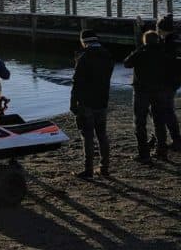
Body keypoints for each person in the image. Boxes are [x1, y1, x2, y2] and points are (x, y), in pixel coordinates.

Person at [70, 29, 114, 179]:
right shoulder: (107, 55)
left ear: (84, 41)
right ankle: (104, 167)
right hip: (102, 100)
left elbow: (76, 82)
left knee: (87, 136)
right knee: (102, 135)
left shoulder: (84, 57)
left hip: (86, 102)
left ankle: (88, 169)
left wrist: (72, 102)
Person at [124, 30, 172, 163]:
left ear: (145, 41)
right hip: (159, 90)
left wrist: (140, 48)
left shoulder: (141, 53)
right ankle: (161, 150)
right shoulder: (163, 54)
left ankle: (144, 154)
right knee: (159, 121)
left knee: (140, 122)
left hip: (141, 91)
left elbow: (127, 63)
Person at [156, 14, 181, 151]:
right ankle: (175, 138)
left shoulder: (167, 43)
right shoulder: (175, 40)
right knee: (168, 110)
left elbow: (163, 61)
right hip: (175, 80)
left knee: (166, 111)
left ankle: (176, 139)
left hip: (167, 81)